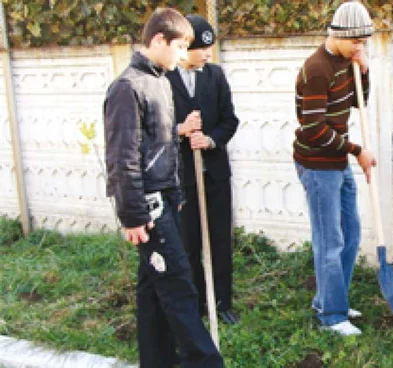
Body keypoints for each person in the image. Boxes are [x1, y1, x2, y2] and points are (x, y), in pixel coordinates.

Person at [104, 8, 223, 367]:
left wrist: (178, 196)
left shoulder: (159, 81)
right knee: (179, 288)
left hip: (167, 201)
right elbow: (122, 157)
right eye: (180, 46)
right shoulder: (127, 87)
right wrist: (134, 216)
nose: (184, 55)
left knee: (153, 292)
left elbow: (158, 144)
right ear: (158, 40)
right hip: (148, 209)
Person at [293, 1, 376, 336]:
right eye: (356, 40)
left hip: (336, 160)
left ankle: (330, 299)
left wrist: (364, 70)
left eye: (364, 41)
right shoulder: (317, 69)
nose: (360, 46)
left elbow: (359, 101)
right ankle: (331, 316)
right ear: (338, 35)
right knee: (330, 239)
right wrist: (356, 151)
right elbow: (313, 129)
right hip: (317, 164)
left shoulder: (346, 61)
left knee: (351, 234)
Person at [167, 14, 240, 325]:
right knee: (188, 241)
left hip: (215, 176)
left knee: (220, 239)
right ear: (184, 48)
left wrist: (210, 140)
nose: (208, 55)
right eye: (201, 49)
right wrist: (180, 130)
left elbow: (230, 121)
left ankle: (222, 302)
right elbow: (151, 129)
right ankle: (195, 304)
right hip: (182, 179)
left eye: (210, 48)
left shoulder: (215, 76)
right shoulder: (164, 80)